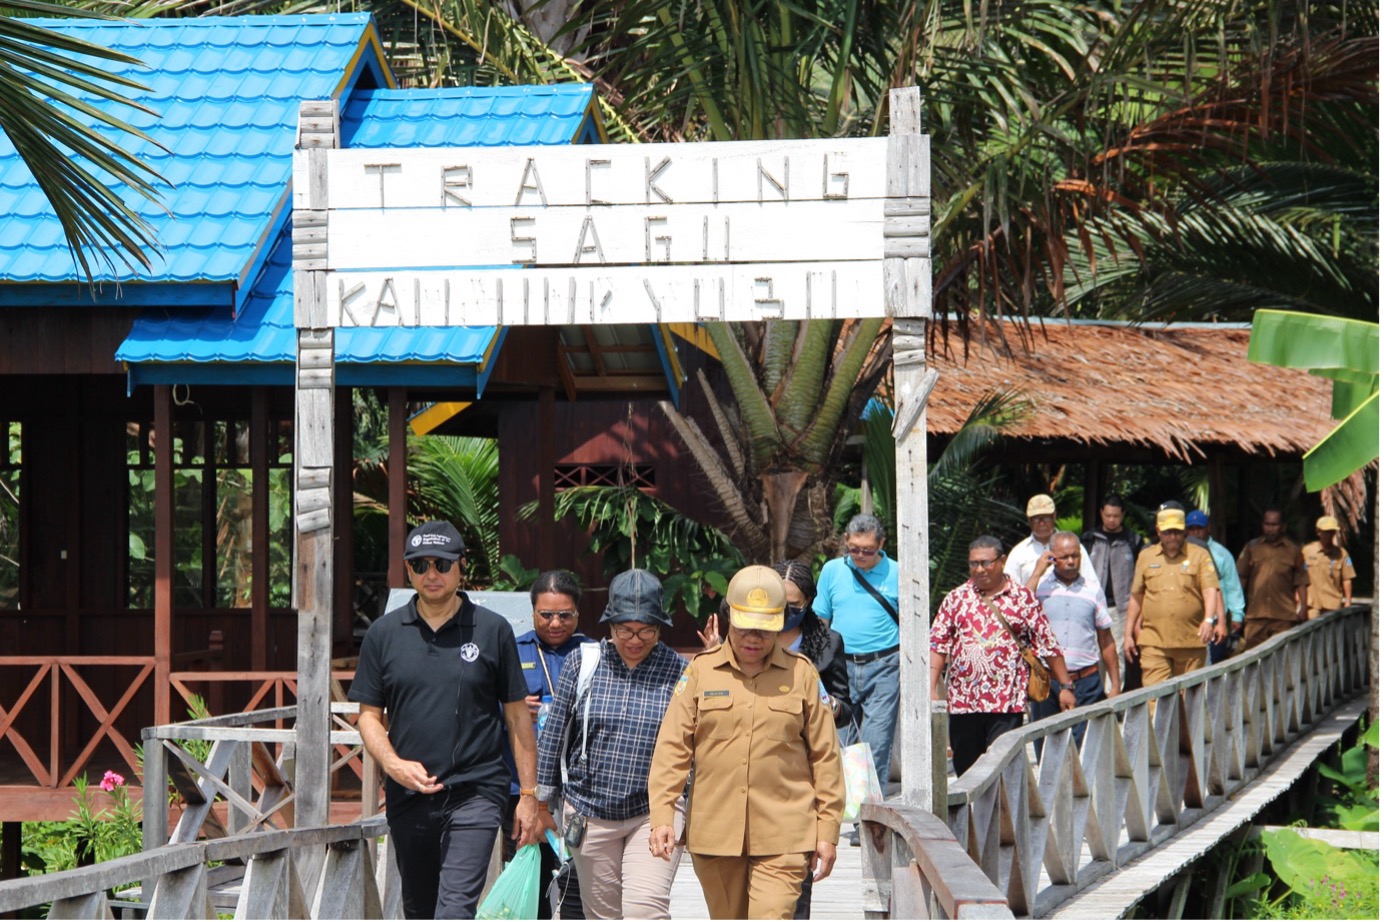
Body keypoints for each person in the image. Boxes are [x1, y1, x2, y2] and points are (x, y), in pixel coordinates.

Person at [350, 521, 552, 920]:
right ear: (408, 571)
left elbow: (517, 719)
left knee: (454, 909)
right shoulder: (383, 634)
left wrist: (529, 796)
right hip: (409, 796)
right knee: (421, 909)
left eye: (442, 564)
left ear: (461, 567)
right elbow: (368, 717)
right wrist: (393, 764)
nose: (431, 574)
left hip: (476, 791)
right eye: (420, 565)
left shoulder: (493, 630)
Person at [648, 564, 844, 921]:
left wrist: (828, 830)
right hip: (715, 836)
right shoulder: (699, 673)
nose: (753, 638)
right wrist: (662, 816)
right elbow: (672, 749)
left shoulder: (802, 675)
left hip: (786, 834)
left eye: (764, 629)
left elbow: (826, 759)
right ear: (728, 620)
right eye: (744, 628)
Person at [534, 569, 687, 920]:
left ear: (660, 627)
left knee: (644, 907)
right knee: (603, 913)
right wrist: (540, 802)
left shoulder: (679, 670)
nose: (635, 639)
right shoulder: (583, 662)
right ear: (609, 625)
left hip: (654, 810)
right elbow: (554, 733)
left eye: (646, 629)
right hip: (589, 812)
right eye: (624, 629)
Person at [930, 536, 1078, 778]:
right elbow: (938, 644)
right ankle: (972, 817)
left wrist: (1065, 686)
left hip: (1006, 703)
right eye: (973, 564)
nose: (979, 569)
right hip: (963, 705)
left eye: (985, 563)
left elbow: (1047, 644)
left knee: (1002, 771)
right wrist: (932, 688)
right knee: (966, 773)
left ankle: (1000, 816)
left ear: (1002, 561)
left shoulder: (1023, 599)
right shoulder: (956, 599)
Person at [505, 570, 590, 919]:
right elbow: (484, 703)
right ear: (532, 613)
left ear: (577, 615)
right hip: (524, 785)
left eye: (564, 615)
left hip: (579, 788)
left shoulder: (594, 653)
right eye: (546, 615)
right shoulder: (512, 649)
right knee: (531, 870)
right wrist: (510, 706)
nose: (555, 623)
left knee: (580, 875)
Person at [814, 513, 899, 793]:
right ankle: (845, 807)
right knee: (839, 741)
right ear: (846, 542)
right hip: (841, 668)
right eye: (854, 549)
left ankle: (870, 819)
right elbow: (820, 620)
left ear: (882, 544)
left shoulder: (898, 573)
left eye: (868, 551)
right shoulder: (832, 570)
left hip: (885, 664)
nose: (860, 555)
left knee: (876, 743)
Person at [1029, 532, 1121, 758]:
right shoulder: (1039, 590)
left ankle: (1082, 795)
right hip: (1048, 684)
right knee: (1047, 751)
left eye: (1075, 556)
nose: (1071, 561)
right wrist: (1036, 573)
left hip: (1086, 682)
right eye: (1064, 557)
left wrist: (1116, 684)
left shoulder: (1093, 590)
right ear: (1052, 557)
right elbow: (1019, 606)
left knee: (1086, 752)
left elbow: (1106, 640)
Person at [1124, 508, 1224, 687]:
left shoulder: (1199, 555)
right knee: (1153, 697)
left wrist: (1209, 620)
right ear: (1158, 531)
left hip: (1191, 640)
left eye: (1177, 532)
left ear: (1184, 530)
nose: (1172, 537)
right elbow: (1136, 596)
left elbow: (1211, 590)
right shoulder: (1146, 556)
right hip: (1154, 642)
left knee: (1190, 699)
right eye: (1167, 532)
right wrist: (1128, 634)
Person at [1081, 494, 1143, 687]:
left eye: (1115, 516)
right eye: (1107, 515)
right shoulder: (1089, 539)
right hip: (1093, 605)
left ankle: (1114, 697)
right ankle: (1098, 696)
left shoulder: (1133, 541)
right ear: (1101, 513)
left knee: (1117, 653)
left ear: (1123, 515)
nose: (1111, 520)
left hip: (1121, 607)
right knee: (1094, 652)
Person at [1237, 506, 1308, 651]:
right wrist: (1237, 610)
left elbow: (1301, 581)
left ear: (1283, 527)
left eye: (1274, 525)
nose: (1270, 529)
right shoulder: (1251, 548)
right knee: (1253, 661)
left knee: (1283, 660)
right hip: (1256, 617)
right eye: (1266, 524)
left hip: (1283, 617)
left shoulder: (1293, 551)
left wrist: (1304, 608)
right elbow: (1241, 579)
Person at [1185, 510, 1245, 664]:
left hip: (1215, 620)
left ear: (1208, 528)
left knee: (1214, 664)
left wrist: (1237, 615)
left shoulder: (1221, 554)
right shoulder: (1182, 553)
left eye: (1199, 528)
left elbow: (1232, 586)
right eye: (1191, 528)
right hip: (1189, 619)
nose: (1195, 532)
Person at [1005, 493, 1098, 592]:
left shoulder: (1073, 547)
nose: (1041, 523)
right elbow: (1011, 594)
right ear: (1029, 520)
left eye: (1046, 518)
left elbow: (1092, 584)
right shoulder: (1018, 553)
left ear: (1054, 516)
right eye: (1036, 519)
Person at [1302, 515, 1356, 619]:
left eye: (1331, 532)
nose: (1328, 535)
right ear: (1318, 532)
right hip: (1312, 604)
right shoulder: (1307, 551)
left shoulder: (1342, 554)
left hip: (1333, 604)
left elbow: (1347, 579)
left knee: (1332, 634)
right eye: (1325, 532)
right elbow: (1299, 576)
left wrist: (1348, 602)